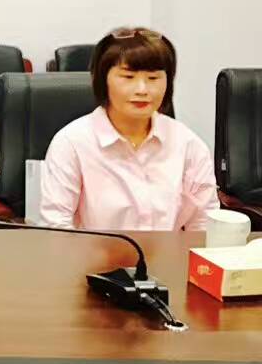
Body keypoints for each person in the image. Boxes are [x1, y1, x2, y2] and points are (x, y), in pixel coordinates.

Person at [40, 27, 218, 231]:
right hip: (92, 252)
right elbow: (56, 226)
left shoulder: (188, 144)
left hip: (170, 252)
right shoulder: (71, 143)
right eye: (128, 77)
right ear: (103, 80)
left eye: (153, 78)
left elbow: (204, 225)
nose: (142, 90)